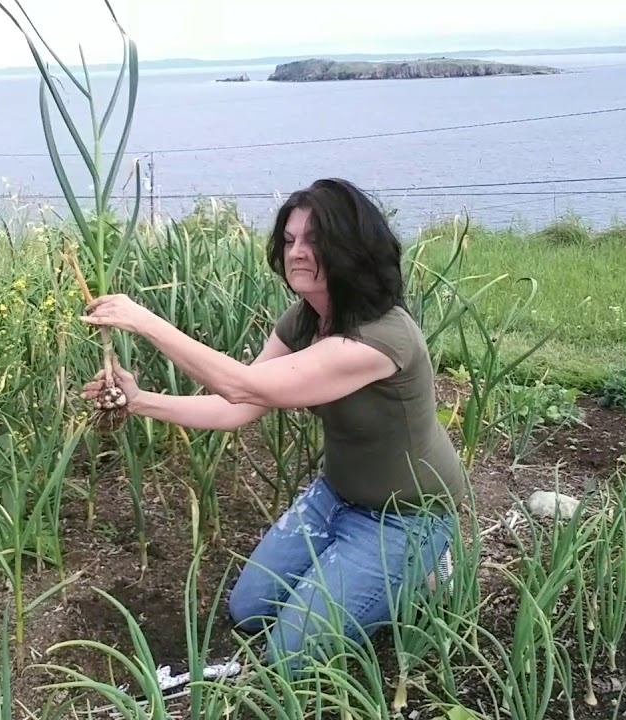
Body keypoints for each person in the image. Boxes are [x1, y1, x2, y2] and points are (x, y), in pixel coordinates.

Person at [79, 177, 468, 672]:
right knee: (248, 611)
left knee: (292, 656)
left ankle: (425, 571)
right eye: (289, 241)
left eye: (314, 240)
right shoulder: (305, 319)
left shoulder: (381, 338)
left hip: (407, 515)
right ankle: (357, 573)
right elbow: (236, 409)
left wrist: (147, 321)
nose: (296, 252)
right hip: (337, 497)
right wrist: (138, 401)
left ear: (351, 248)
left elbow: (244, 387)